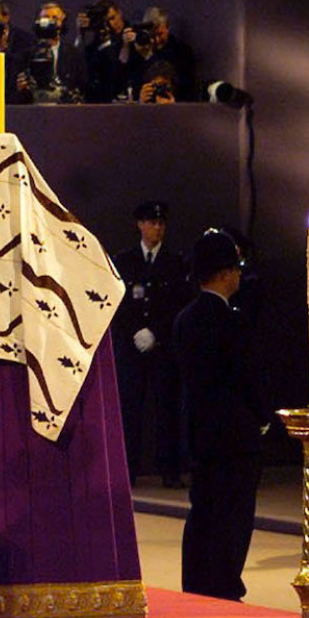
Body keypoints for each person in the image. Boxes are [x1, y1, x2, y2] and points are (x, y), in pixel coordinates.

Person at [174, 228, 268, 601]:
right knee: (234, 514)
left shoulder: (185, 318)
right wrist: (262, 416)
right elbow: (247, 376)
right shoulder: (232, 321)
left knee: (204, 510)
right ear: (227, 273)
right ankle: (225, 581)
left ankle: (196, 582)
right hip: (235, 433)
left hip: (200, 429)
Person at [111, 201, 188, 488]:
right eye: (152, 223)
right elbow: (118, 302)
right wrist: (135, 331)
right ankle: (127, 469)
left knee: (166, 408)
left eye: (161, 224)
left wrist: (156, 332)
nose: (157, 228)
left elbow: (178, 303)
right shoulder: (125, 260)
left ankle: (170, 470)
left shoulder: (175, 262)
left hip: (162, 347)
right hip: (132, 348)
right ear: (140, 225)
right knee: (130, 409)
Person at [17, 2, 87, 103]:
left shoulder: (74, 53)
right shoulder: (26, 55)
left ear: (62, 22)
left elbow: (81, 84)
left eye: (55, 18)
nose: (50, 22)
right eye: (46, 17)